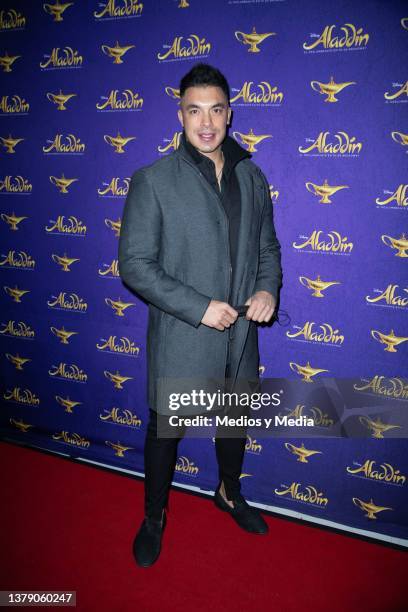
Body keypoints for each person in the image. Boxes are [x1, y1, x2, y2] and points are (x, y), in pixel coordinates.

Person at [118, 63, 282, 567]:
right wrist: (199, 307)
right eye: (195, 110)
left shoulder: (253, 176)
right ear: (181, 115)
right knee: (164, 433)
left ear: (229, 115)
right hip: (184, 338)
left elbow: (268, 248)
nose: (206, 122)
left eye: (216, 110)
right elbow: (134, 265)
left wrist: (266, 289)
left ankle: (228, 493)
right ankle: (154, 516)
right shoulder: (153, 180)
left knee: (233, 426)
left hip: (240, 342)